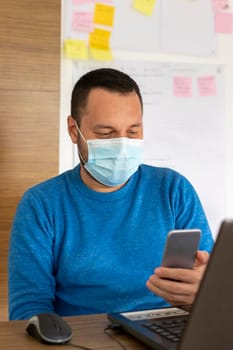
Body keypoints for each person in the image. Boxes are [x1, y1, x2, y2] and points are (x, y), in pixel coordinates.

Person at [8, 68, 214, 320]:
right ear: (74, 130)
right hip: (82, 341)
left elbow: (211, 288)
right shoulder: (41, 205)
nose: (122, 145)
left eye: (133, 132)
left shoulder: (173, 190)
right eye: (106, 134)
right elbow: (28, 311)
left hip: (162, 334)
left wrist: (204, 292)